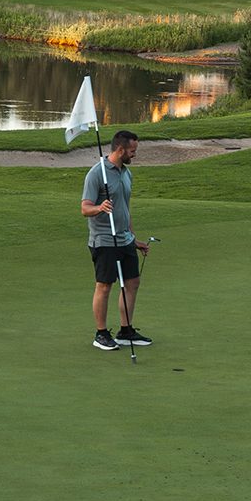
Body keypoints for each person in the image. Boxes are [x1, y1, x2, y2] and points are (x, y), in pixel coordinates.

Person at [81, 130, 153, 351]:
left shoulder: (126, 173)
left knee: (132, 282)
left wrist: (133, 238)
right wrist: (99, 207)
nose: (135, 155)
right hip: (103, 239)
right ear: (120, 150)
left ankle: (125, 330)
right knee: (104, 286)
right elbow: (85, 208)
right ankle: (101, 334)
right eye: (132, 151)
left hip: (124, 239)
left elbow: (125, 209)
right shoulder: (96, 174)